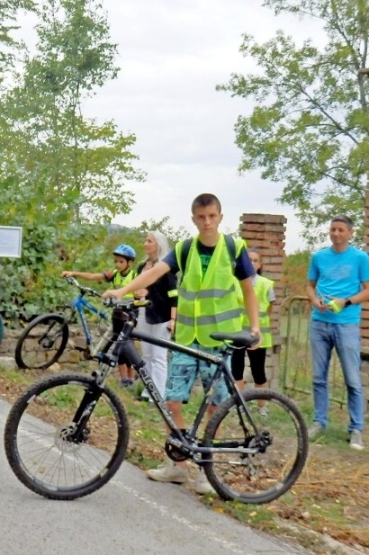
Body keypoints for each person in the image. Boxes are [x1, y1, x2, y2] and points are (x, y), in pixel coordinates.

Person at [104, 193, 261, 495]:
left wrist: (256, 327)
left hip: (220, 339)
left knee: (215, 407)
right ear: (193, 219)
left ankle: (205, 470)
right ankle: (177, 465)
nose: (207, 222)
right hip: (188, 338)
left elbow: (249, 292)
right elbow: (153, 273)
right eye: (201, 217)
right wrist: (123, 289)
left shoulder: (233, 248)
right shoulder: (185, 249)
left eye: (212, 216)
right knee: (171, 401)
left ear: (220, 217)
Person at [306, 215, 369, 450]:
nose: (336, 234)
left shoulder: (360, 258)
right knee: (318, 377)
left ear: (350, 233)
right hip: (319, 322)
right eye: (333, 229)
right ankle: (319, 422)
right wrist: (315, 300)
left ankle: (356, 428)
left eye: (341, 230)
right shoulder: (319, 257)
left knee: (352, 379)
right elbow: (309, 285)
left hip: (346, 324)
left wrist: (345, 301)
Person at [62, 244, 139, 388]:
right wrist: (74, 273)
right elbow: (93, 276)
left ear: (130, 263)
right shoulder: (114, 274)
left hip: (129, 314)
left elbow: (140, 293)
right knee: (118, 345)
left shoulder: (134, 276)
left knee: (127, 347)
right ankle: (124, 379)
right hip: (117, 314)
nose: (117, 264)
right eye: (116, 261)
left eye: (121, 262)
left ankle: (130, 378)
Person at [132, 232, 177, 402]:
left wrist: (173, 319)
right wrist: (137, 294)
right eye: (145, 240)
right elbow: (138, 290)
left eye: (149, 241)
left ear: (158, 244)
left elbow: (174, 294)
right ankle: (147, 391)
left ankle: (158, 394)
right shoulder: (141, 267)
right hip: (144, 313)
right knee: (147, 355)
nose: (145, 244)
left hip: (161, 316)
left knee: (159, 356)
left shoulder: (166, 267)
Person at [231, 249, 275, 416]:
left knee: (258, 371)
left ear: (260, 264)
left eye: (255, 260)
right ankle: (240, 404)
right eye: (248, 260)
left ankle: (262, 406)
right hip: (237, 332)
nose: (251, 263)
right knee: (236, 369)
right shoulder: (235, 282)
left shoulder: (266, 284)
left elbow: (269, 308)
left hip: (257, 335)